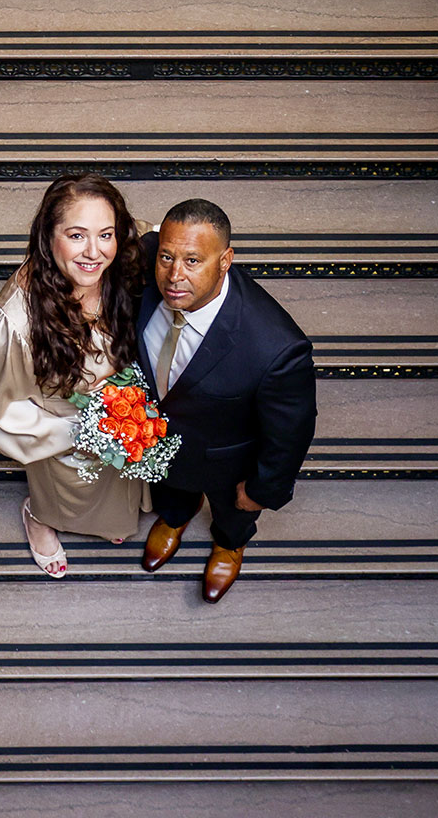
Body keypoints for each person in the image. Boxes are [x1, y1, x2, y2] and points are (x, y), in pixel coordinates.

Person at [0, 174, 149, 578]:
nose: (94, 253)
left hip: (123, 417)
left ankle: (108, 519)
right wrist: (81, 430)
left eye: (106, 234)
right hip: (63, 430)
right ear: (48, 237)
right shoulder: (12, 321)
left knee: (115, 491)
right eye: (77, 235)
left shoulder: (124, 263)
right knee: (67, 490)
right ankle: (39, 517)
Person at [137, 198, 317, 602]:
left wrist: (259, 491)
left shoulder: (276, 348)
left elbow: (290, 436)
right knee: (172, 492)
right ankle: (175, 518)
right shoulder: (148, 267)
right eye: (166, 256)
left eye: (193, 261)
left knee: (233, 514)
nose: (174, 276)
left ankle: (229, 546)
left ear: (225, 260)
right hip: (163, 443)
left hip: (227, 461)